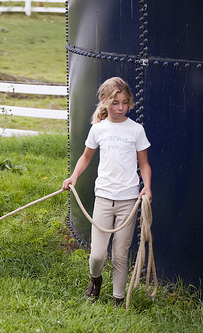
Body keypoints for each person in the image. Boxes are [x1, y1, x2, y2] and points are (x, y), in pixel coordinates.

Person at [62, 77, 152, 307]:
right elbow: (86, 157)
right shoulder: (98, 129)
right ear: (104, 102)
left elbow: (144, 164)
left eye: (124, 102)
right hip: (103, 198)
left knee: (120, 255)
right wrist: (73, 177)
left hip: (129, 200)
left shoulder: (136, 130)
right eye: (115, 103)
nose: (121, 108)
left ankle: (118, 299)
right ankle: (96, 279)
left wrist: (147, 187)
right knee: (98, 255)